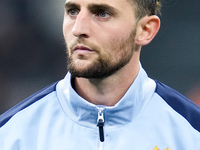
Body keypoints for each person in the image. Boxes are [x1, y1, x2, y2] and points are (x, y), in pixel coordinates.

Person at [0, 0, 200, 149]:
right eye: (72, 11)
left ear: (145, 30)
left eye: (102, 13)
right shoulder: (11, 135)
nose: (79, 28)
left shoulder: (192, 132)